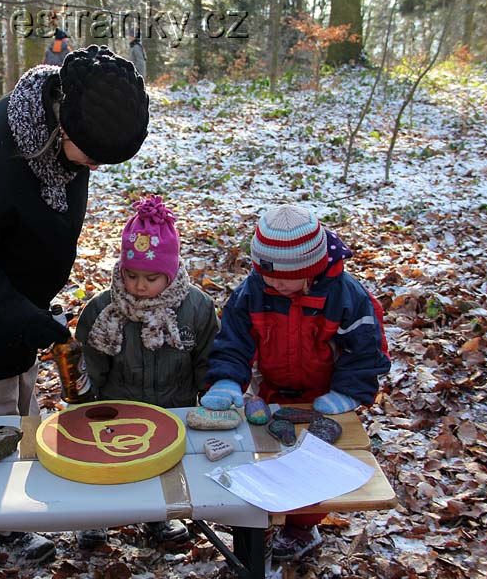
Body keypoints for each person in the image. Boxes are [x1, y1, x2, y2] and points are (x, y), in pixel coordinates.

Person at [0, 45, 149, 565]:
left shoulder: (66, 124)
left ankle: (9, 512)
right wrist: (30, 322)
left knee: (22, 416)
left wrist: (34, 318)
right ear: (61, 129)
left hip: (20, 313)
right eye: (91, 156)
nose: (93, 167)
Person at [201, 204, 391, 561]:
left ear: (310, 268)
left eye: (283, 278)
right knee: (273, 454)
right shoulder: (254, 291)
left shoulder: (345, 296)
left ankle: (301, 527)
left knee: (318, 463)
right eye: (265, 273)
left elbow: (365, 349)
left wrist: (349, 393)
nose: (273, 282)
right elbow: (234, 340)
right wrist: (227, 380)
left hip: (326, 394)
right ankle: (268, 510)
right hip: (272, 390)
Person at [74, 195, 219, 549]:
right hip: (117, 409)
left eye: (152, 278)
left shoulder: (196, 308)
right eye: (131, 275)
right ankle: (98, 517)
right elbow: (90, 366)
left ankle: (160, 517)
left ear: (170, 273)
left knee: (163, 466)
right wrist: (81, 397)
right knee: (109, 466)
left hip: (174, 406)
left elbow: (207, 361)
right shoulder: (104, 311)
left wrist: (212, 396)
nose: (139, 286)